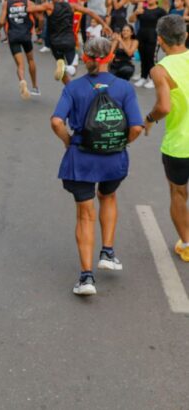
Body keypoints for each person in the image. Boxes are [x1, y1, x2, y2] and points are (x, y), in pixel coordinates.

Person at [50, 37, 143, 295]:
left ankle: (86, 278)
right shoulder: (124, 88)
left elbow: (56, 121)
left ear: (85, 57)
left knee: (85, 214)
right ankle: (108, 252)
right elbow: (136, 127)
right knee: (108, 196)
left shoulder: (74, 88)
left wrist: (68, 142)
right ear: (110, 57)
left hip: (81, 158)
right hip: (113, 159)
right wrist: (121, 143)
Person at [144, 15, 189, 263]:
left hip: (180, 145)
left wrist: (149, 119)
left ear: (160, 40)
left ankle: (187, 244)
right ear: (185, 35)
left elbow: (163, 107)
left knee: (178, 192)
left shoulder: (160, 70)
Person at [42, 0, 110, 85]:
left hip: (54, 42)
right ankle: (67, 68)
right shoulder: (71, 6)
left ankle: (68, 86)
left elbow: (32, 9)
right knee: (72, 70)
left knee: (61, 68)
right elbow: (90, 12)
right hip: (68, 40)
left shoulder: (48, 7)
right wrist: (104, 24)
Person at [130, 0, 167, 89]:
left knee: (151, 59)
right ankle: (143, 76)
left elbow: (166, 24)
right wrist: (135, 13)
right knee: (143, 58)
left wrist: (162, 37)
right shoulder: (142, 10)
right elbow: (131, 20)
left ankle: (152, 79)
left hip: (153, 37)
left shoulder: (160, 11)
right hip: (141, 36)